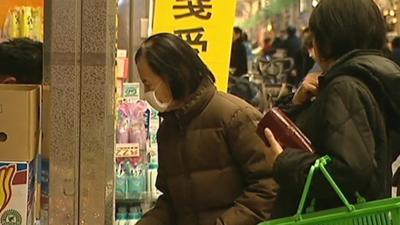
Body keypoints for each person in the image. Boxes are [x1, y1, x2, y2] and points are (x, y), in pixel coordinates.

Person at [263, 0, 400, 218]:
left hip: (331, 216)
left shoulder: (344, 87)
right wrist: (296, 103)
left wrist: (285, 162)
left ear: (327, 39)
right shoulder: (374, 80)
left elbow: (350, 169)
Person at [135, 33, 278, 225]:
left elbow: (269, 187)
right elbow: (171, 200)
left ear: (172, 75)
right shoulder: (169, 129)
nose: (146, 94)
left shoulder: (235, 116)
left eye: (148, 84)